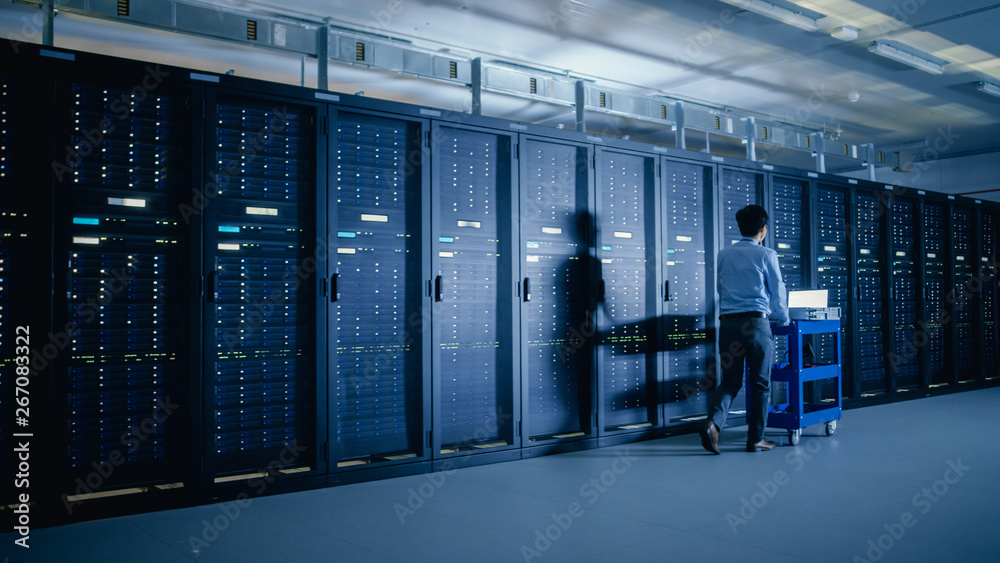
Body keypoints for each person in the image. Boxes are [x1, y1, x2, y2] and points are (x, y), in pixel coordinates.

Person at [700, 204, 789, 454]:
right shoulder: (766, 254)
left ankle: (713, 424)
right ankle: (755, 439)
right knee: (761, 383)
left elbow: (720, 289)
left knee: (730, 381)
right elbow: (777, 291)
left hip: (728, 323)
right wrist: (783, 319)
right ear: (763, 229)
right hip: (756, 323)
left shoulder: (723, 254)